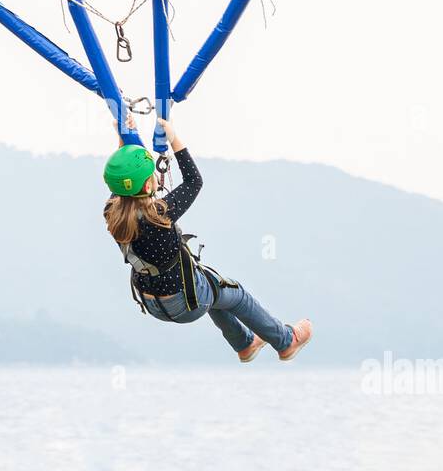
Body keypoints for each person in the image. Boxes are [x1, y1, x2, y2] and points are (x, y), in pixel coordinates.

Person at [101, 115, 312, 362]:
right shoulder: (158, 214)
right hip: (185, 301)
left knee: (214, 288)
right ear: (147, 187)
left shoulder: (112, 212)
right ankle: (286, 341)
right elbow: (194, 181)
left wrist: (124, 137)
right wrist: (174, 137)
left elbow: (121, 182)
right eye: (151, 175)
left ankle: (244, 344)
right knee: (236, 293)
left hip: (152, 302)